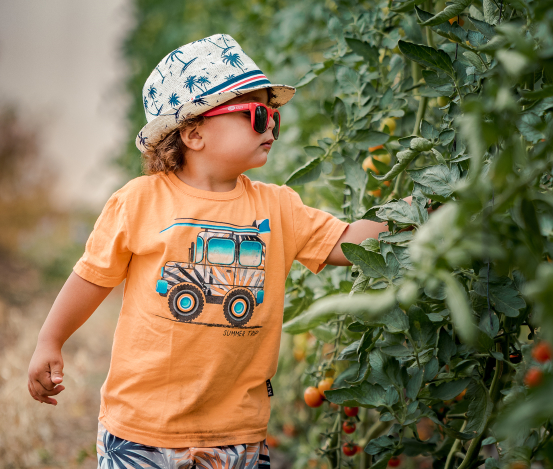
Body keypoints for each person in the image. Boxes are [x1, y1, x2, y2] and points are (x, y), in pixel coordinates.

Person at [26, 34, 417, 469]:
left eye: (274, 117)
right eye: (255, 114)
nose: (269, 125)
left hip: (238, 433)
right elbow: (91, 277)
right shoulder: (139, 202)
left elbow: (346, 241)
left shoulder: (278, 207)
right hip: (140, 431)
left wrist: (407, 218)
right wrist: (51, 339)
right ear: (193, 133)